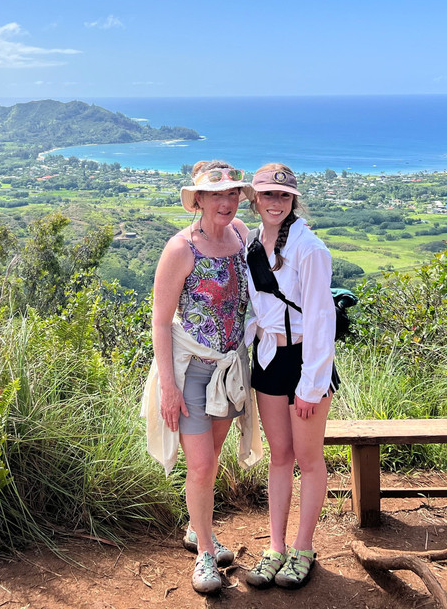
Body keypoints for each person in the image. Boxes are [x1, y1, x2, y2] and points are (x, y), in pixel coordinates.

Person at [140, 160, 263, 594]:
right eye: (216, 195)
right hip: (192, 370)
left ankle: (198, 529)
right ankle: (206, 554)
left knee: (209, 459)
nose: (226, 202)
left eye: (232, 193)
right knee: (202, 465)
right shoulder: (180, 249)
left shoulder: (241, 235)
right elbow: (160, 322)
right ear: (198, 200)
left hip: (230, 368)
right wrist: (168, 388)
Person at [243, 163, 339, 590]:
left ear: (293, 200)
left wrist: (312, 385)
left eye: (283, 195)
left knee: (308, 457)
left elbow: (320, 319)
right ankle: (275, 547)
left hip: (305, 360)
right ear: (255, 199)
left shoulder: (309, 248)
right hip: (268, 357)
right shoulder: (251, 244)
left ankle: (303, 548)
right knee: (279, 456)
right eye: (268, 194)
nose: (276, 202)